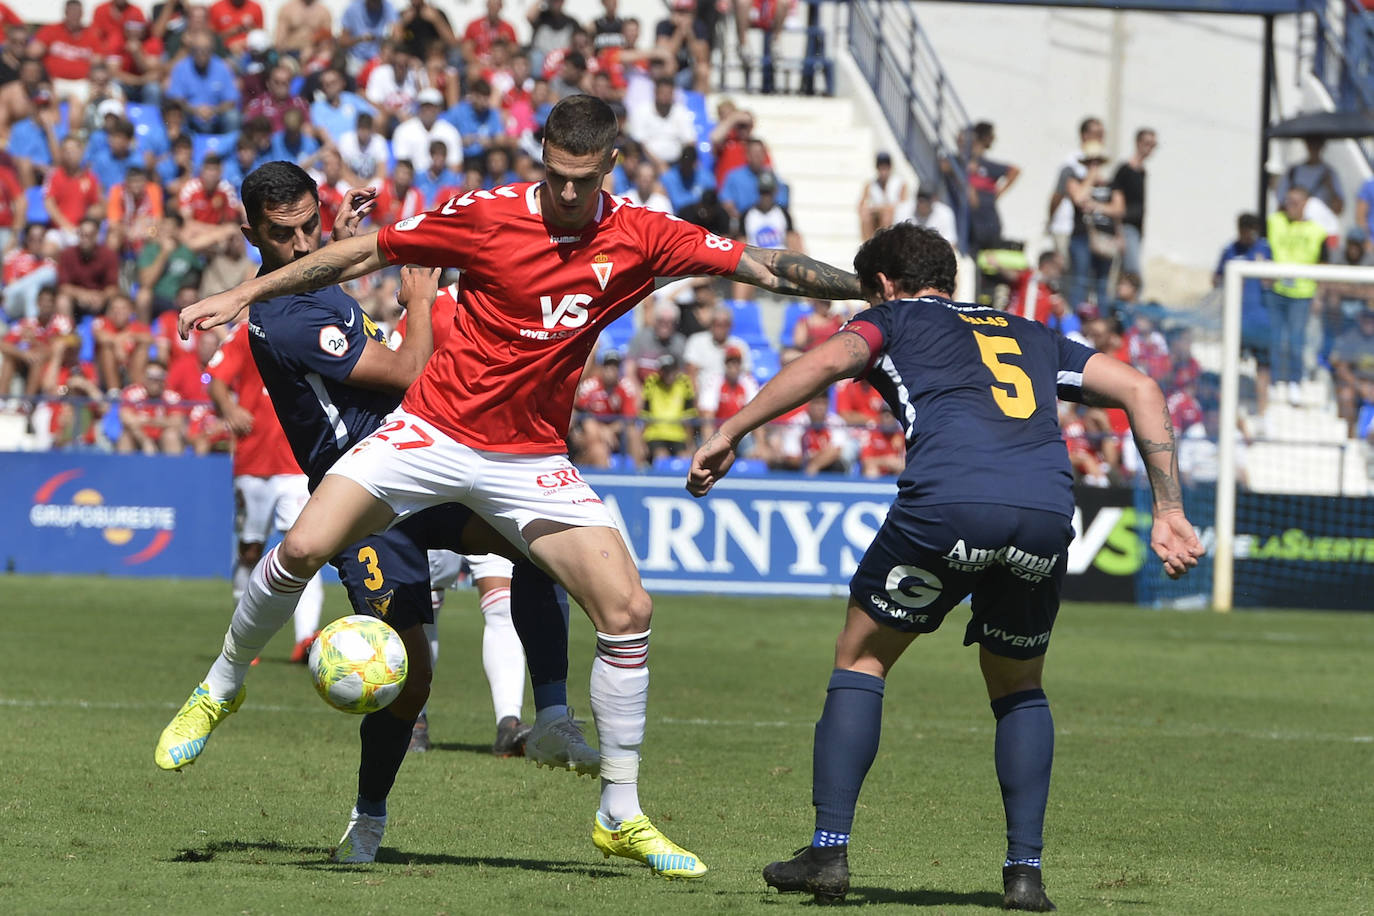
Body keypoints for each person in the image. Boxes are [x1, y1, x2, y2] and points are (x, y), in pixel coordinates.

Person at [176, 94, 865, 879]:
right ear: (541, 154)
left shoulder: (644, 235)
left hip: (527, 457)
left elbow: (766, 266)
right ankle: (222, 687)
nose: (566, 193)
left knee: (628, 608)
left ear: (611, 164)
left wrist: (870, 290)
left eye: (581, 179)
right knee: (302, 542)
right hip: (431, 432)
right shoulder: (485, 213)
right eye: (554, 174)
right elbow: (365, 254)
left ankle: (617, 809)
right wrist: (241, 294)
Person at [686, 223, 1203, 907]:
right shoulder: (1029, 330)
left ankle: (829, 854)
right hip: (1046, 516)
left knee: (862, 657)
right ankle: (1024, 875)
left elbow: (823, 364)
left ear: (885, 285)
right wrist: (1169, 508)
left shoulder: (890, 320)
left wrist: (729, 432)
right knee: (1018, 684)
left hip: (951, 506)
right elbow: (1140, 386)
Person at [154, 164, 581, 867]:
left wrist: (346, 243)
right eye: (280, 234)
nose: (298, 245)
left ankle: (554, 717)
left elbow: (333, 294)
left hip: (424, 467)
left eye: (308, 227)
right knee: (410, 681)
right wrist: (419, 295)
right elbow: (412, 368)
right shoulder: (281, 315)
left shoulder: (314, 281)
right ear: (248, 235)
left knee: (542, 542)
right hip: (367, 500)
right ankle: (365, 818)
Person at [207, 326, 327, 663]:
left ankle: (305, 639)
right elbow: (216, 377)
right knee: (250, 549)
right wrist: (229, 409)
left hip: (297, 462)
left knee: (306, 551)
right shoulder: (247, 332)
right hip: (254, 459)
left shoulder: (311, 326)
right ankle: (243, 636)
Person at [1266, 187, 1327, 406]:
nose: (1291, 205)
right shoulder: (1274, 221)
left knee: (1296, 340)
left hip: (1302, 294)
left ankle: (1294, 382)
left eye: (1296, 201)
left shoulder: (1317, 230)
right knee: (1273, 338)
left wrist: (1319, 295)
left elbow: (1323, 263)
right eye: (1288, 200)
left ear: (1305, 203)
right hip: (1276, 290)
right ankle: (1273, 383)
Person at [1111, 128, 1156, 280]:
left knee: (1126, 276)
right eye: (1147, 144)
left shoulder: (1142, 171)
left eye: (1153, 145)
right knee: (1133, 276)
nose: (1150, 149)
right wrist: (1119, 233)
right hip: (1126, 229)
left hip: (1136, 230)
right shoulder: (1125, 170)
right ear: (1138, 143)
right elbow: (1117, 203)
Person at [858, 152, 907, 241]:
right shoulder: (870, 184)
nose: (883, 170)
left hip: (894, 217)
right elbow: (861, 205)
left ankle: (884, 246)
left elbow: (904, 205)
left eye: (885, 167)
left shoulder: (899, 183)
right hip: (876, 217)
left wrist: (880, 209)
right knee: (866, 218)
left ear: (890, 167)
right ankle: (867, 245)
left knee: (886, 217)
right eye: (881, 167)